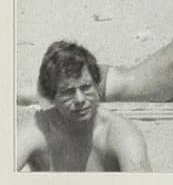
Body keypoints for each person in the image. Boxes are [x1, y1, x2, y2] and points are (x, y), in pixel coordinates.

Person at [18, 41, 150, 172]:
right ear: (52, 97)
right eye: (68, 92)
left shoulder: (121, 135)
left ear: (97, 86)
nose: (80, 99)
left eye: (86, 87)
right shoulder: (37, 130)